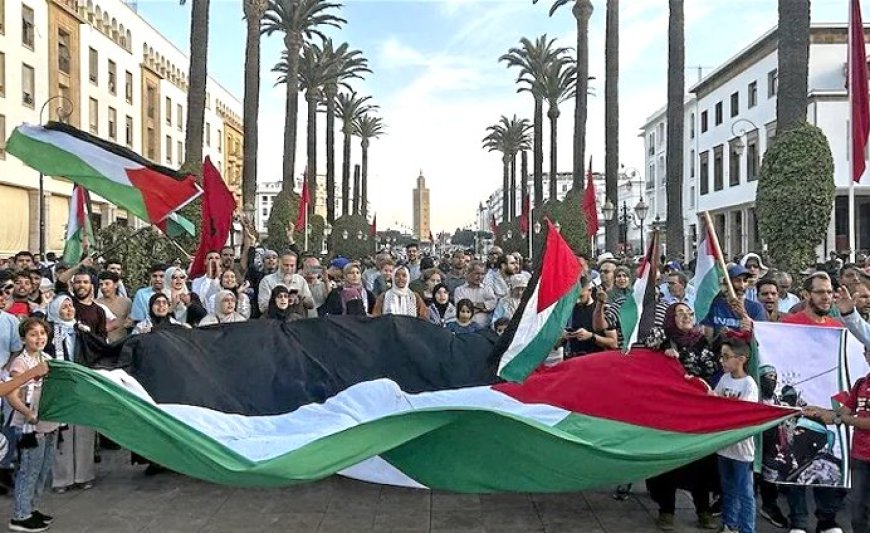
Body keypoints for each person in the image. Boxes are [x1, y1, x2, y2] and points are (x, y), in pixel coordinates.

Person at [782, 272, 849, 533]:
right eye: (820, 291)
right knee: (795, 461)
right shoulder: (789, 325)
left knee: (828, 460)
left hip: (829, 407)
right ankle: (798, 521)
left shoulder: (838, 328)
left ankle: (827, 521)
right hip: (797, 406)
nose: (826, 297)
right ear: (806, 294)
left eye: (829, 292)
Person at [645, 303, 720, 531]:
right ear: (671, 318)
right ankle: (666, 511)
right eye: (680, 313)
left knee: (700, 462)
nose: (686, 317)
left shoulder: (700, 341)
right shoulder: (663, 337)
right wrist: (665, 353)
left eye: (689, 313)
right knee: (668, 463)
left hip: (696, 414)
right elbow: (648, 347)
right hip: (668, 414)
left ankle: (703, 511)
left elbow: (710, 369)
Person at [802, 346, 870, 533]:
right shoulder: (861, 384)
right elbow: (841, 413)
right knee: (858, 512)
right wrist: (819, 412)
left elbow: (854, 420)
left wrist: (841, 419)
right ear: (865, 355)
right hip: (860, 457)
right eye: (869, 351)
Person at [6, 318, 58, 533]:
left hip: (48, 422)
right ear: (23, 338)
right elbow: (11, 394)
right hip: (30, 425)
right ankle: (20, 515)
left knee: (43, 470)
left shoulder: (46, 358)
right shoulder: (21, 363)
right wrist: (28, 412)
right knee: (29, 469)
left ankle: (31, 508)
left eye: (42, 333)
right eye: (33, 334)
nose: (39, 338)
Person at [44, 296, 96, 494]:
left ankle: (84, 475)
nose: (69, 309)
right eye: (64, 307)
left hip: (82, 387)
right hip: (60, 389)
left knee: (84, 430)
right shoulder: (49, 333)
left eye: (70, 306)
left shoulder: (81, 330)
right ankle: (62, 478)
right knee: (62, 433)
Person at [714, 338, 759, 533]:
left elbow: (744, 412)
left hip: (742, 450)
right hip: (725, 447)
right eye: (721, 356)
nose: (722, 361)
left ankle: (747, 529)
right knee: (728, 490)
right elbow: (715, 400)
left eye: (726, 357)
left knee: (745, 492)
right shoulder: (724, 379)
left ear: (741, 359)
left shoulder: (749, 385)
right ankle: (729, 524)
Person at [700, 264, 766, 339]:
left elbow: (760, 337)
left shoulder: (756, 308)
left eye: (745, 281)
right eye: (737, 281)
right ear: (728, 283)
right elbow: (708, 338)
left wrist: (744, 316)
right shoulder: (715, 306)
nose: (742, 286)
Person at [454, 261, 497, 328]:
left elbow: (493, 304)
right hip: (465, 328)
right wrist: (483, 307)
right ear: (468, 273)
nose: (480, 277)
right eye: (477, 273)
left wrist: (474, 305)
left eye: (482, 274)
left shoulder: (487, 288)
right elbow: (461, 308)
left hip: (485, 327)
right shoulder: (459, 290)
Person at [70, 271, 108, 341]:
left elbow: (102, 339)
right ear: (72, 285)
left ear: (91, 285)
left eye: (85, 282)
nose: (82, 285)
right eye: (78, 282)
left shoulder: (99, 311)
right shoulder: (66, 304)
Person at [96, 271, 132, 342]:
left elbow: (130, 322)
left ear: (115, 285)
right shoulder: (96, 303)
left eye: (107, 284)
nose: (103, 287)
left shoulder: (126, 302)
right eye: (101, 284)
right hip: (101, 344)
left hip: (122, 343)